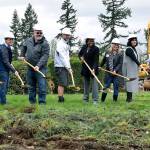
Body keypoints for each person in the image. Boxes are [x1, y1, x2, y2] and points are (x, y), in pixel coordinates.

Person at [19, 24, 50, 104]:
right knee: (31, 86)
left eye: (40, 33)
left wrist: (38, 66)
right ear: (34, 32)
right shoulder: (28, 40)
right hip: (30, 68)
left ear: (42, 33)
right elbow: (24, 47)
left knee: (42, 87)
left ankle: (42, 103)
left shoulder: (45, 43)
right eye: (37, 32)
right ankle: (32, 103)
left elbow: (45, 56)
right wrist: (22, 55)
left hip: (41, 69)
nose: (39, 34)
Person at [78, 36, 99, 105]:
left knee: (94, 85)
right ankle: (85, 99)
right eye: (90, 41)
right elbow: (80, 54)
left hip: (93, 69)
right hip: (85, 69)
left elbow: (96, 60)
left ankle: (95, 100)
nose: (91, 42)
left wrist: (94, 69)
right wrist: (81, 58)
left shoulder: (96, 49)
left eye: (92, 41)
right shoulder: (84, 47)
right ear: (87, 41)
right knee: (86, 85)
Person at [54, 28, 72, 102]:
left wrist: (69, 67)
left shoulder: (65, 43)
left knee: (63, 83)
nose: (67, 36)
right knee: (62, 83)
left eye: (68, 35)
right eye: (66, 35)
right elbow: (62, 57)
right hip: (60, 66)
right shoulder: (60, 44)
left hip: (64, 66)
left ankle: (61, 97)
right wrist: (68, 67)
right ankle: (60, 99)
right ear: (62, 35)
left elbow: (67, 58)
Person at [122, 34, 142, 102]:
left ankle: (130, 98)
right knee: (129, 83)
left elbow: (137, 56)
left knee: (132, 83)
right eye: (133, 40)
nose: (134, 41)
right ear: (130, 41)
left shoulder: (135, 49)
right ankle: (128, 99)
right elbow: (133, 57)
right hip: (128, 69)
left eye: (135, 40)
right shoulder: (128, 49)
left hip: (133, 69)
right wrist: (139, 64)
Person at [0, 33, 19, 104]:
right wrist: (14, 71)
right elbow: (5, 61)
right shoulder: (3, 48)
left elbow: (7, 61)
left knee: (5, 86)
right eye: (10, 39)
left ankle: (2, 101)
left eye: (12, 39)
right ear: (6, 40)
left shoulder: (7, 48)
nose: (11, 41)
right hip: (2, 71)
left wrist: (12, 67)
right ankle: (3, 103)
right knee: (3, 87)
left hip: (5, 70)